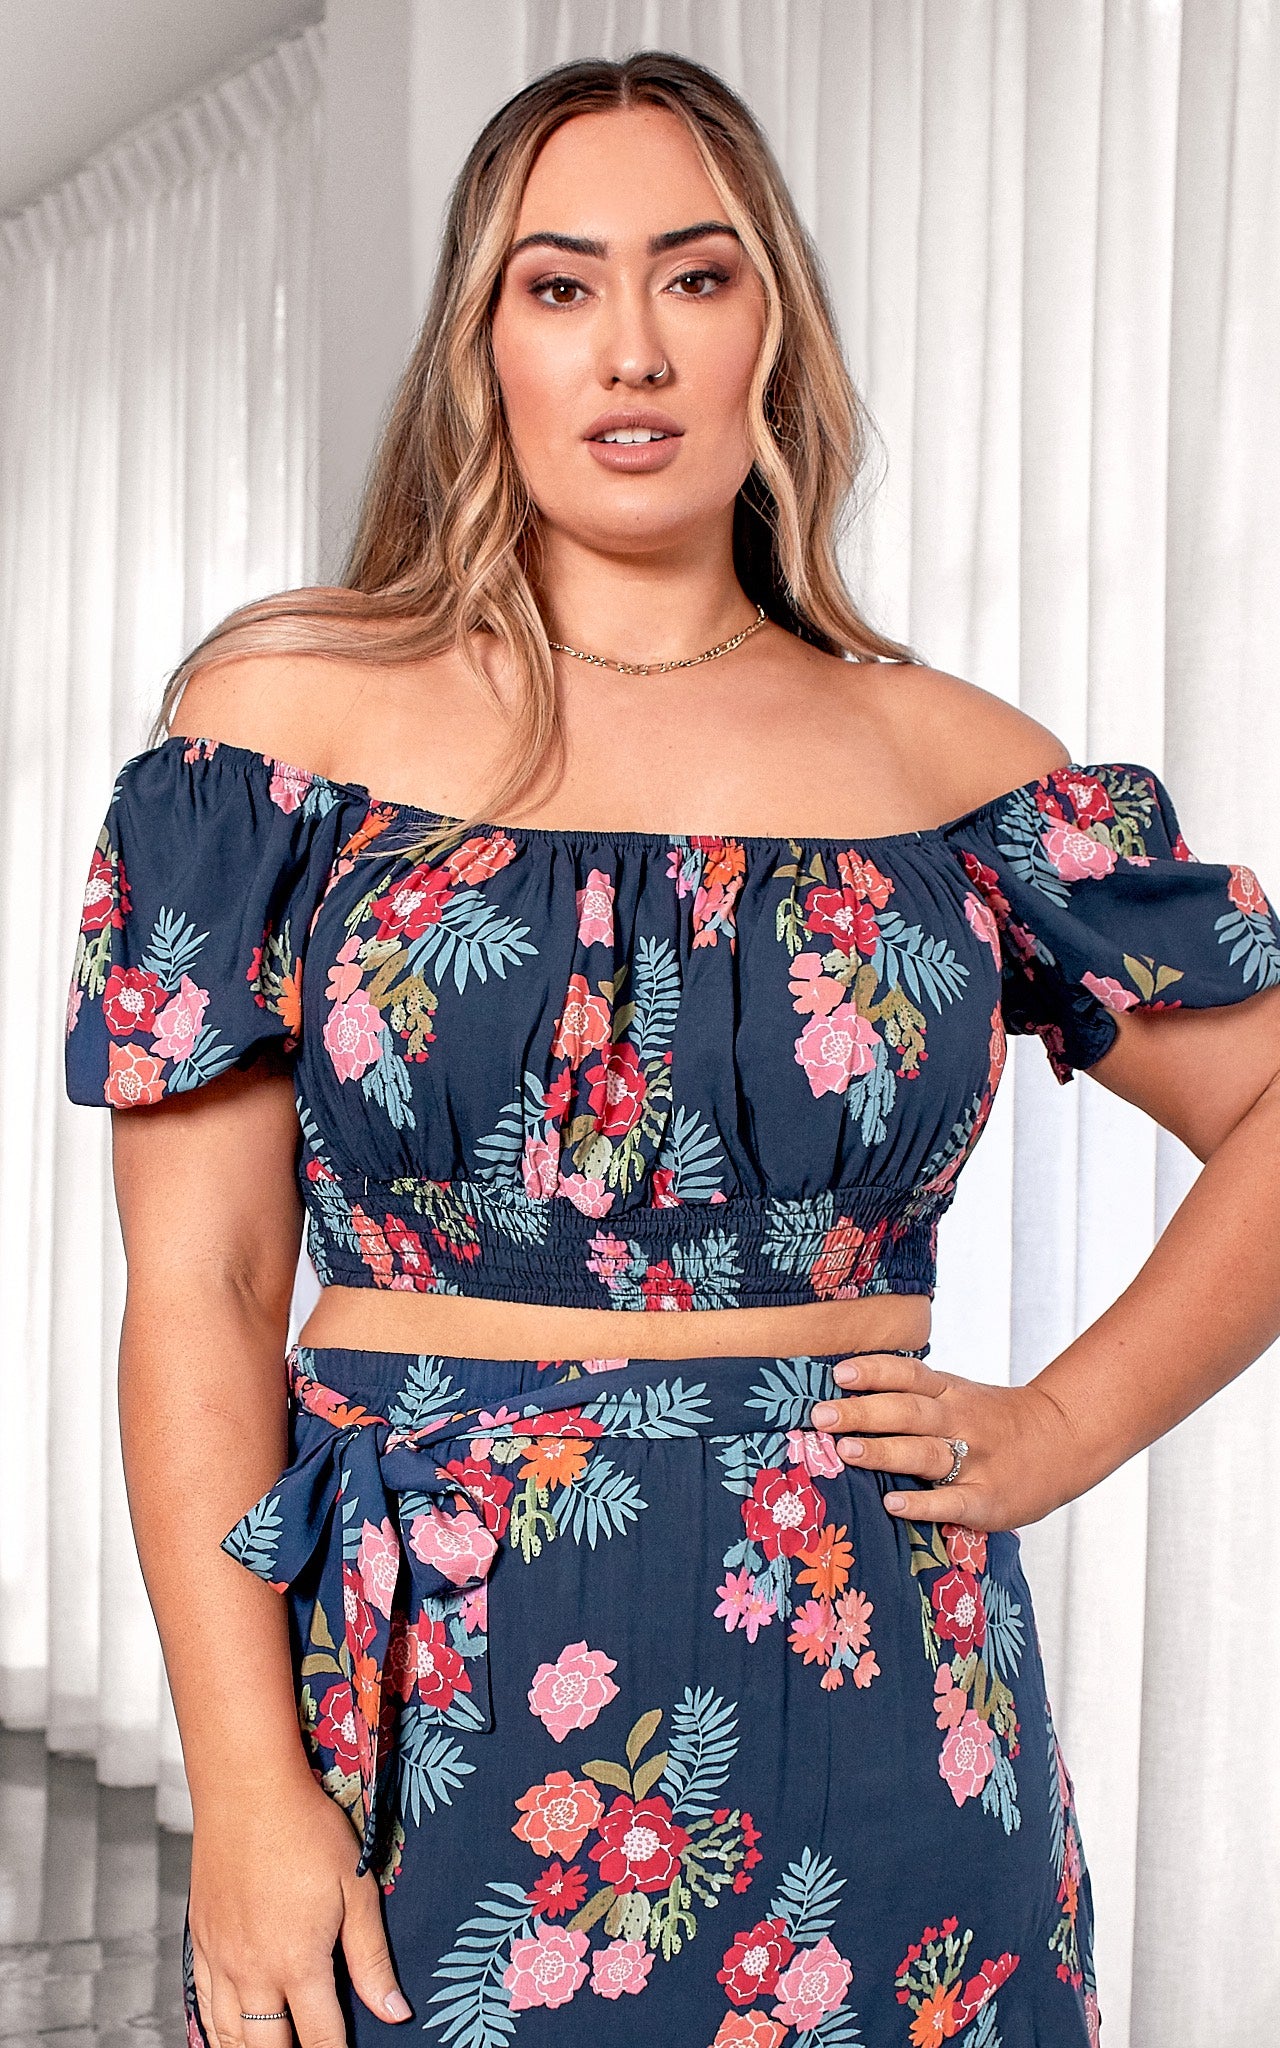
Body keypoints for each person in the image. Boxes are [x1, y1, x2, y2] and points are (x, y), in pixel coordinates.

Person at [63, 50, 1280, 2048]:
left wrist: (1066, 1425)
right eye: (560, 285)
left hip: (882, 1708)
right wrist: (244, 1785)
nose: (631, 348)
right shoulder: (280, 728)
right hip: (423, 1706)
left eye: (694, 278)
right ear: (483, 343)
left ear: (770, 329)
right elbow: (196, 1289)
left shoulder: (947, 766)